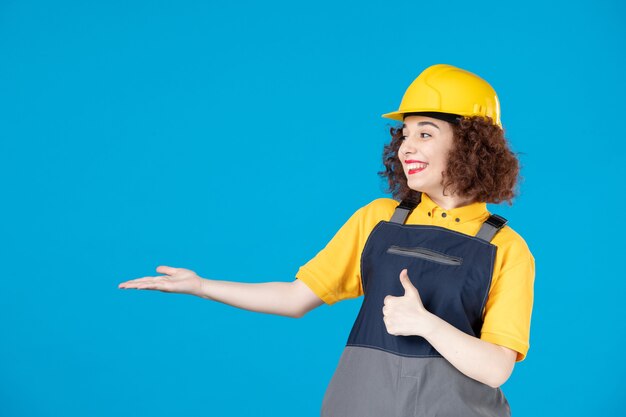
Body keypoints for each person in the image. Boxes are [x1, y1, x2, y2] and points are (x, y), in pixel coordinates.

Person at [118, 63, 535, 417]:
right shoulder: (378, 220)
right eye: (404, 134)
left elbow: (497, 368)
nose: (407, 146)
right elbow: (296, 298)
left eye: (425, 133)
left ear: (471, 143)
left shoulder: (506, 248)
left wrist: (424, 323)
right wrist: (202, 286)